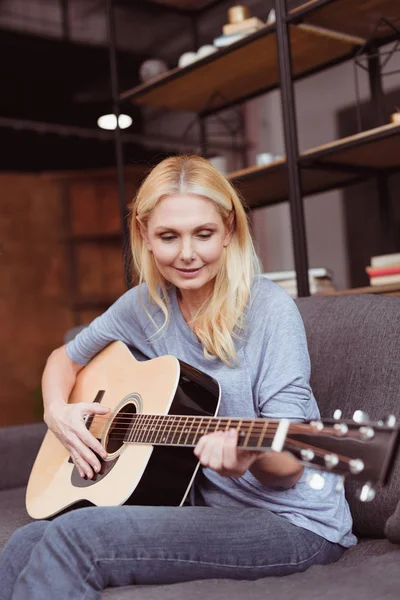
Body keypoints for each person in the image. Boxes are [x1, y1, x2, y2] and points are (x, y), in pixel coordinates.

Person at [0, 155, 356, 599]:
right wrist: (58, 413)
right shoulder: (145, 306)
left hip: (293, 523)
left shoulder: (270, 312)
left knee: (80, 537)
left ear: (229, 231)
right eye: (169, 236)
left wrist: (251, 457)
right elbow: (63, 358)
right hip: (213, 512)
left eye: (203, 234)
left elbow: (289, 466)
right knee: (24, 542)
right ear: (145, 237)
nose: (187, 253)